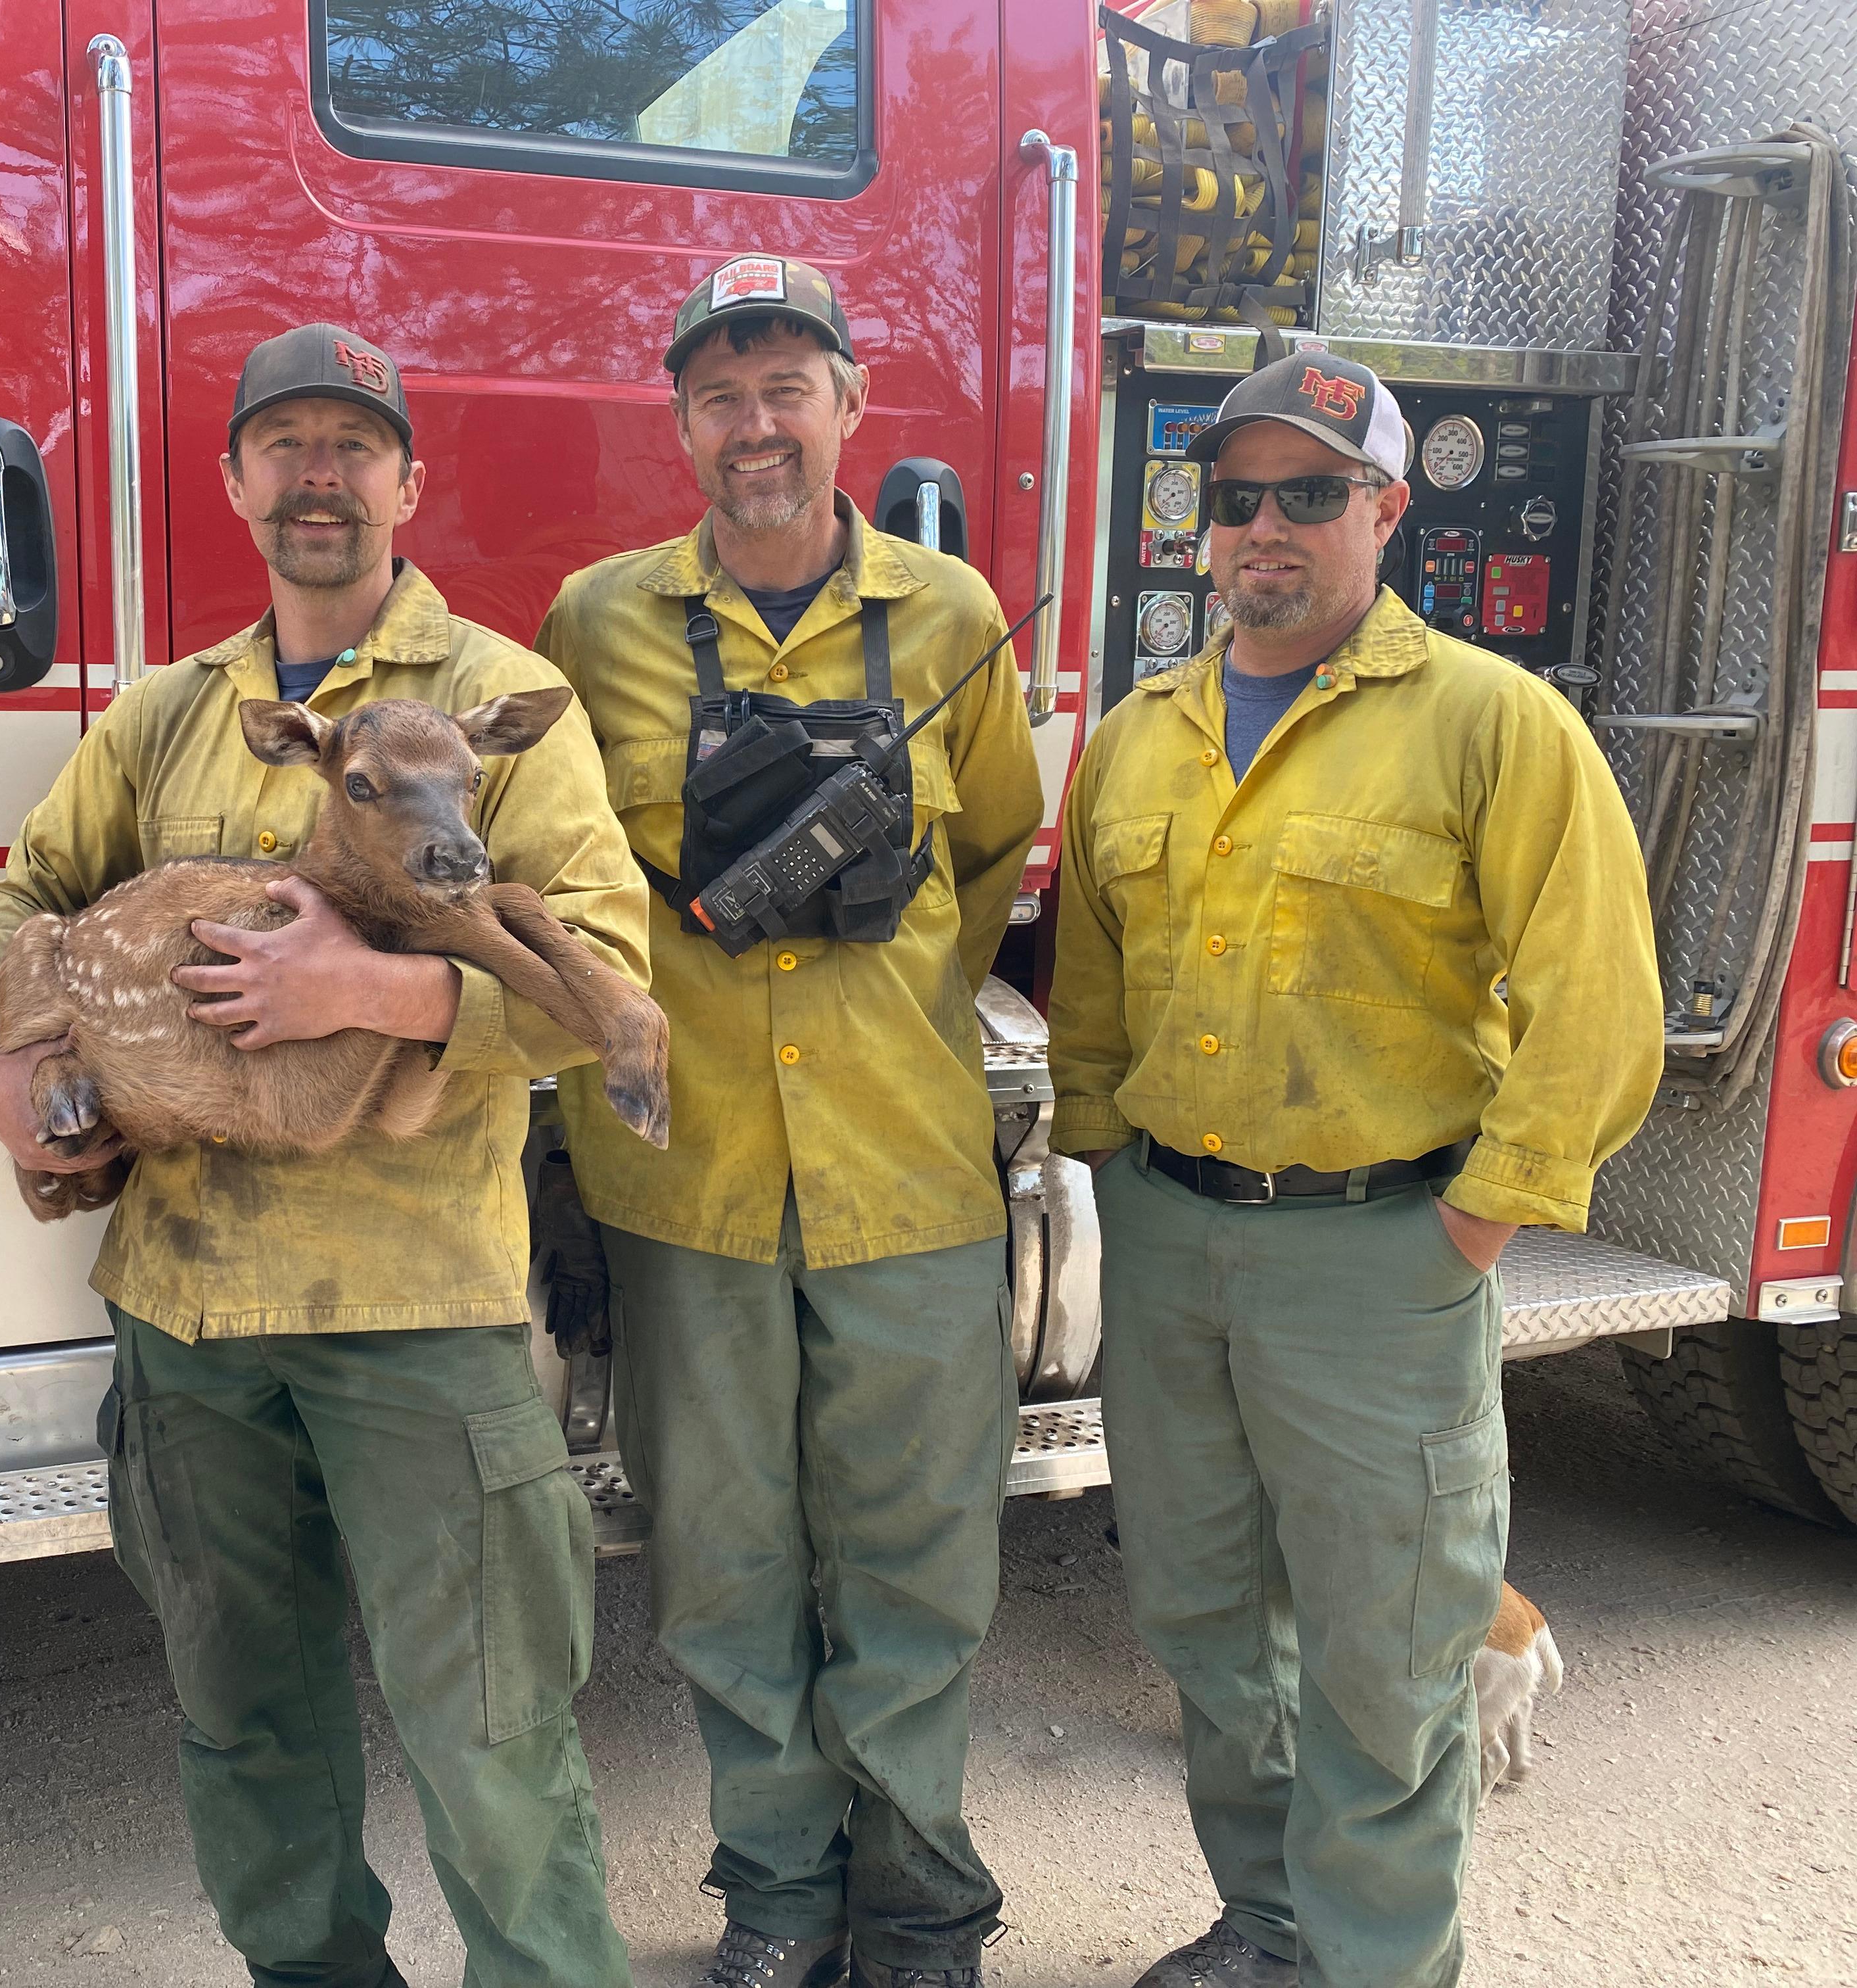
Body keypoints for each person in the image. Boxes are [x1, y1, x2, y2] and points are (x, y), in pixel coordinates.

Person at [0, 322, 647, 1988]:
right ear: (238, 485)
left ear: (408, 482)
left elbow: (608, 972)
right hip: (188, 1313)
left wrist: (377, 985)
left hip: (414, 1305)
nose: (319, 475)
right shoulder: (176, 718)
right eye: (288, 446)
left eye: (355, 445)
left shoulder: (497, 709)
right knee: (245, 1722)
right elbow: (24, 902)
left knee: (489, 1735)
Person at [1048, 351, 1660, 1988]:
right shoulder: (1140, 737)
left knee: (1387, 1649)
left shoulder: (1490, 724)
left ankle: (1378, 1961)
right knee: (1203, 1619)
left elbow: (1600, 1002)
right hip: (1174, 1240)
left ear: (1385, 509)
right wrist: (1109, 1175)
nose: (1266, 524)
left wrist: (1473, 1222)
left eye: (1311, 492)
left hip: (1380, 1255)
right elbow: (1095, 989)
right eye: (1235, 494)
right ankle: (1268, 1926)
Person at [534, 256, 1046, 1988]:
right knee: (726, 1560)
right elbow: (564, 883)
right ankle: (775, 1898)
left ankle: (917, 1911)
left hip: (906, 1174)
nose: (757, 426)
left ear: (848, 404)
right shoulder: (594, 624)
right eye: (721, 396)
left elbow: (983, 869)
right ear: (683, 421)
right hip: (688, 1185)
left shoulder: (957, 619)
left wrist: (872, 1009)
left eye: (787, 388)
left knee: (916, 1562)